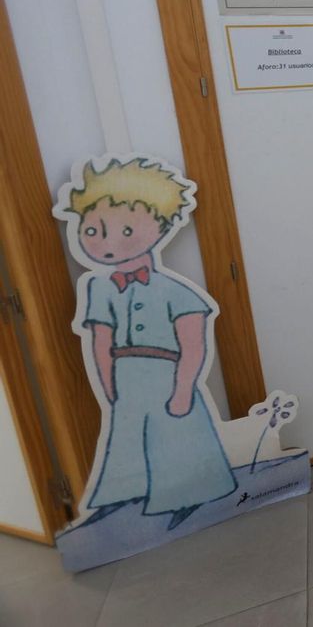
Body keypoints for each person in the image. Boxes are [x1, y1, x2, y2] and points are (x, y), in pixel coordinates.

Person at [60, 158, 237, 531]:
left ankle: (189, 496)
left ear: (161, 226)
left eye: (126, 229)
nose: (108, 243)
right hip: (126, 376)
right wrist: (109, 386)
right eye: (94, 230)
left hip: (168, 373)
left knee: (179, 432)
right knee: (125, 438)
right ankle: (124, 496)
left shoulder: (176, 292)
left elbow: (193, 345)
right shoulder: (99, 287)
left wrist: (184, 388)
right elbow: (100, 341)